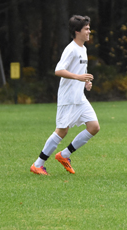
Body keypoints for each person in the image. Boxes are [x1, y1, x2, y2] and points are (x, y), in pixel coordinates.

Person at [30, 15, 99, 176]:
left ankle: (64, 155)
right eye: (86, 29)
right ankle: (38, 164)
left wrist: (85, 83)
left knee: (94, 127)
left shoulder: (83, 48)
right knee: (62, 131)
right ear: (77, 31)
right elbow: (59, 70)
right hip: (68, 98)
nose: (89, 31)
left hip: (79, 98)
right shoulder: (71, 49)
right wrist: (78, 77)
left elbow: (81, 73)